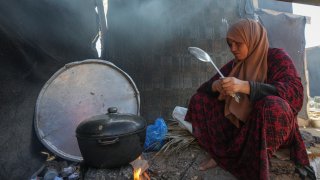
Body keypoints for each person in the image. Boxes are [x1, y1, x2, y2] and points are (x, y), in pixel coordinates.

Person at [185, 18, 315, 180]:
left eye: (238, 44)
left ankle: (237, 158)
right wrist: (216, 86)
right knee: (199, 101)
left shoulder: (276, 57)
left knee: (271, 105)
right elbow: (204, 89)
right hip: (240, 129)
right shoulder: (236, 65)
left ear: (252, 39)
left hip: (274, 128)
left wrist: (245, 86)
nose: (233, 49)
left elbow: (294, 94)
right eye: (230, 44)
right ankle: (225, 152)